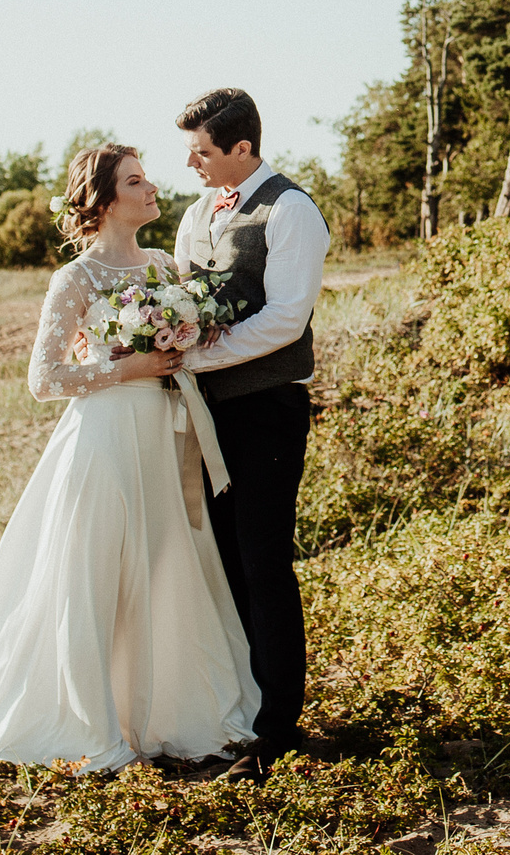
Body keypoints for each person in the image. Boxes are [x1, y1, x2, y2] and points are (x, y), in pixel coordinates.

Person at [0, 144, 258, 768]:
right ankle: (92, 721)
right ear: (104, 200)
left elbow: (190, 342)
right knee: (97, 574)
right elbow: (45, 378)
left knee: (167, 564)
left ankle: (169, 712)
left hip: (162, 434)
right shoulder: (76, 279)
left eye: (146, 177)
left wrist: (181, 339)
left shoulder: (162, 267)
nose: (151, 188)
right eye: (136, 180)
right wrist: (132, 367)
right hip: (103, 438)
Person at [169, 87, 329, 779]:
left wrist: (197, 354)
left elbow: (285, 320)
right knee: (224, 561)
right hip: (205, 414)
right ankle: (241, 703)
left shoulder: (292, 209)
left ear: (242, 148)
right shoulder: (197, 212)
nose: (190, 162)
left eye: (202, 150)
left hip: (266, 410)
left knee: (264, 563)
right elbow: (180, 294)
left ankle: (278, 726)